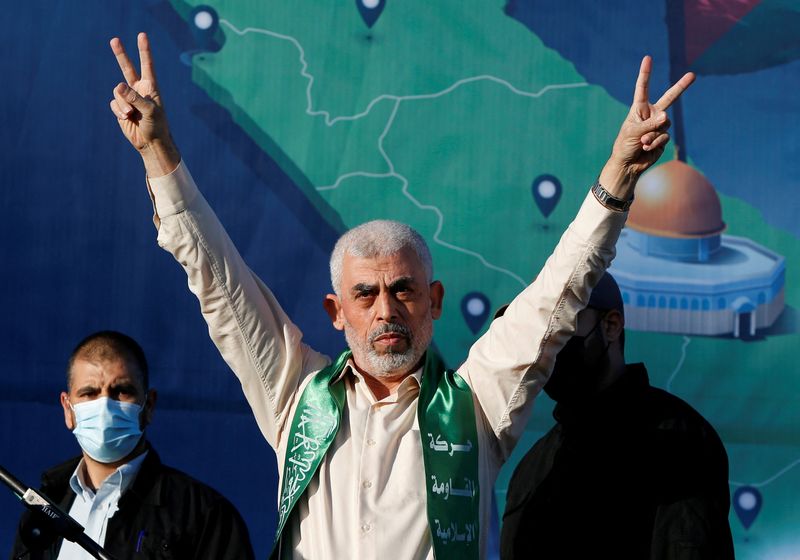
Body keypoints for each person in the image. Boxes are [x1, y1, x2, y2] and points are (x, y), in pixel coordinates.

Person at [106, 32, 694, 559]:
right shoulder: (293, 395)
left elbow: (557, 295)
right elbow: (220, 282)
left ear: (434, 301)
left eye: (403, 290)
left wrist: (618, 175)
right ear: (337, 313)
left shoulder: (477, 404)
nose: (386, 310)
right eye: (365, 295)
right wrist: (158, 154)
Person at [500, 273, 735, 559]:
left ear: (610, 326)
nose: (544, 345)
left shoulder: (678, 440)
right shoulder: (532, 468)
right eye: (534, 332)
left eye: (557, 325)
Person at [10, 331, 255, 560]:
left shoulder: (204, 516)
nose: (104, 405)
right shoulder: (43, 510)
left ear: (148, 406)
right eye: (89, 393)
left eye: (121, 391)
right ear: (68, 409)